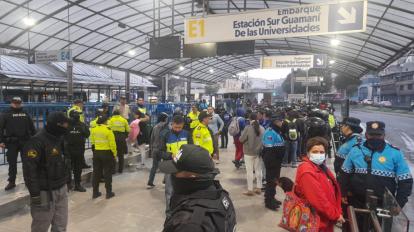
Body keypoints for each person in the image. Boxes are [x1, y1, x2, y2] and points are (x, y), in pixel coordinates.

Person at [340, 121, 413, 217]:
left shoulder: (395, 153)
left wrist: (399, 203)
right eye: (371, 134)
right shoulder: (355, 150)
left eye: (378, 135)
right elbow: (344, 173)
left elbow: (405, 180)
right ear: (366, 135)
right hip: (357, 202)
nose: (375, 137)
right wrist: (343, 192)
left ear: (384, 135)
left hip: (384, 206)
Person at [160, 144, 236, 232]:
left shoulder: (187, 224)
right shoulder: (221, 194)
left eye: (175, 172)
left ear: (192, 177)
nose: (172, 175)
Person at [22, 112, 71, 232]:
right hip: (44, 191)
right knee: (41, 226)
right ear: (56, 125)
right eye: (64, 125)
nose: (66, 127)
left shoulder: (60, 138)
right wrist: (35, 194)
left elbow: (64, 161)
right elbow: (29, 170)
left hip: (61, 188)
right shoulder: (36, 142)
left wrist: (67, 181)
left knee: (61, 224)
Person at [295, 137, 345, 232]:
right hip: (314, 223)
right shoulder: (307, 171)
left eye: (322, 152)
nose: (319, 154)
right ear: (308, 153)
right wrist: (335, 214)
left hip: (324, 220)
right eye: (315, 151)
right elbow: (318, 200)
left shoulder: (321, 167)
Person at [0, 96, 36, 191]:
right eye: (15, 103)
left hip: (25, 141)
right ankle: (12, 182)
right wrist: (1, 141)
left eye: (19, 103)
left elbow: (32, 127)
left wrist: (35, 139)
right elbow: (0, 128)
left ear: (21, 103)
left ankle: (27, 180)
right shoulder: (6, 113)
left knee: (27, 163)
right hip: (12, 142)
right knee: (12, 163)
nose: (17, 104)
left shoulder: (25, 113)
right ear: (11, 103)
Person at [160, 115, 193, 217]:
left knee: (184, 189)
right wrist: (170, 155)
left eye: (180, 127)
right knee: (169, 190)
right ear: (172, 124)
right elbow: (160, 152)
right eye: (175, 127)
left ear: (183, 125)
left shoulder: (187, 134)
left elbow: (191, 149)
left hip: (183, 166)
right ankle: (169, 213)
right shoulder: (165, 135)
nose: (178, 129)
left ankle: (183, 210)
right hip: (170, 165)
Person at [90, 115, 117, 199]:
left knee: (96, 173)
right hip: (107, 153)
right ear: (105, 121)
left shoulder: (93, 129)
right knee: (107, 173)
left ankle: (95, 192)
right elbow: (112, 144)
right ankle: (108, 193)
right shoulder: (108, 130)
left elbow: (92, 142)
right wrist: (114, 154)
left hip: (97, 153)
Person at [261, 114, 285, 210]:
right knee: (270, 182)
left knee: (275, 181)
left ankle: (272, 197)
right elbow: (269, 150)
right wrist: (271, 163)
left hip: (277, 161)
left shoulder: (277, 131)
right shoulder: (270, 132)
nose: (282, 122)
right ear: (275, 122)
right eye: (280, 121)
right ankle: (268, 201)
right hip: (272, 161)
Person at [239, 113, 265, 196]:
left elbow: (241, 139)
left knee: (249, 171)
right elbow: (264, 141)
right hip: (259, 152)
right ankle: (259, 188)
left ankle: (250, 190)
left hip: (248, 152)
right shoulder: (262, 128)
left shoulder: (248, 128)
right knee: (258, 170)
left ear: (249, 119)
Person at [64, 111, 90, 192]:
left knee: (75, 168)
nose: (77, 116)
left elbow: (87, 134)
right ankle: (70, 184)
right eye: (76, 115)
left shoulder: (81, 125)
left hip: (76, 150)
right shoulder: (67, 125)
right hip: (70, 150)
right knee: (70, 168)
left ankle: (75, 185)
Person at [147, 112, 169, 189]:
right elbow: (168, 139)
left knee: (154, 167)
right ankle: (165, 181)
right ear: (165, 119)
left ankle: (150, 182)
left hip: (155, 150)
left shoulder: (155, 127)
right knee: (166, 165)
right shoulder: (167, 128)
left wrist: (151, 149)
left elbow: (151, 139)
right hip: (163, 150)